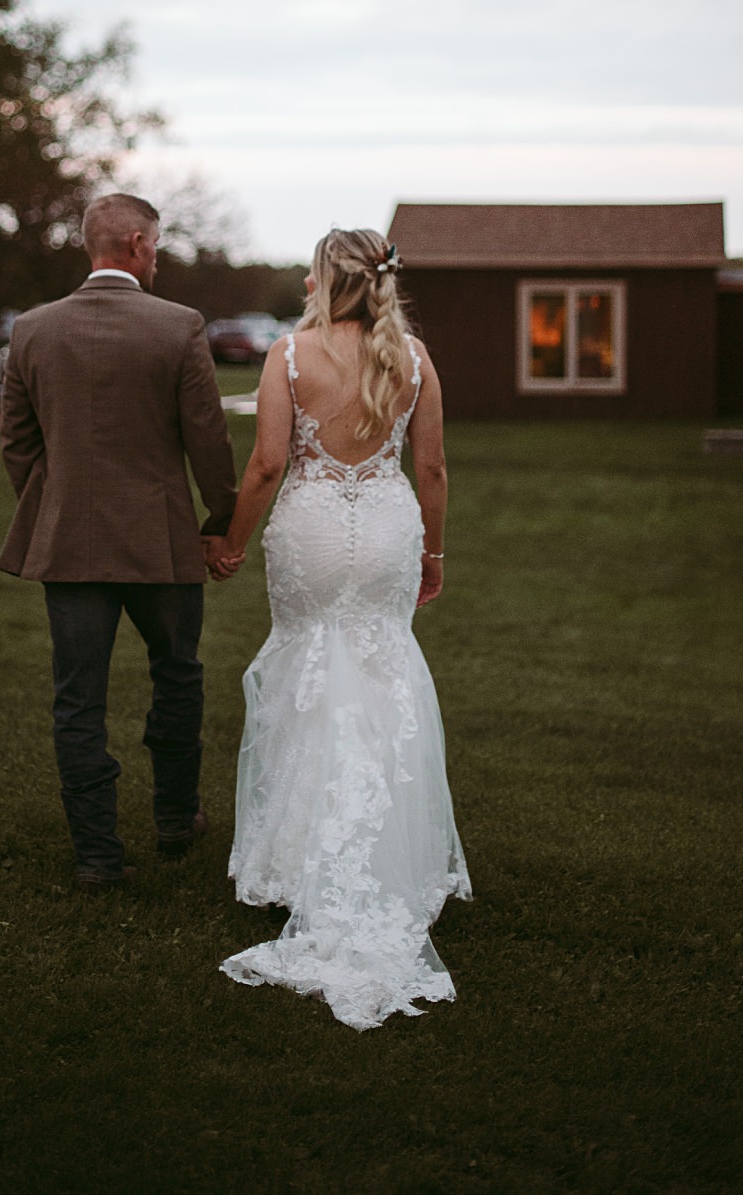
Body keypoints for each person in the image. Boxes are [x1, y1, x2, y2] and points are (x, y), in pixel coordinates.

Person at [213, 227, 471, 1030]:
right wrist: (432, 551)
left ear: (324, 278)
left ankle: (296, 860)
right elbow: (429, 468)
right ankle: (391, 856)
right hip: (389, 528)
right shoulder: (414, 357)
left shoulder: (290, 354)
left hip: (314, 528)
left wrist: (229, 539)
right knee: (384, 673)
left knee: (305, 676)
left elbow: (264, 465)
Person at [0, 193, 238, 887]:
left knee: (78, 700)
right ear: (134, 242)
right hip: (161, 543)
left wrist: (55, 508)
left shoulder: (33, 329)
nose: (157, 256)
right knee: (178, 676)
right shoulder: (179, 326)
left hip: (69, 544)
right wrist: (219, 520)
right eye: (156, 244)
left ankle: (97, 856)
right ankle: (173, 816)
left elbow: (17, 445)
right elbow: (208, 441)